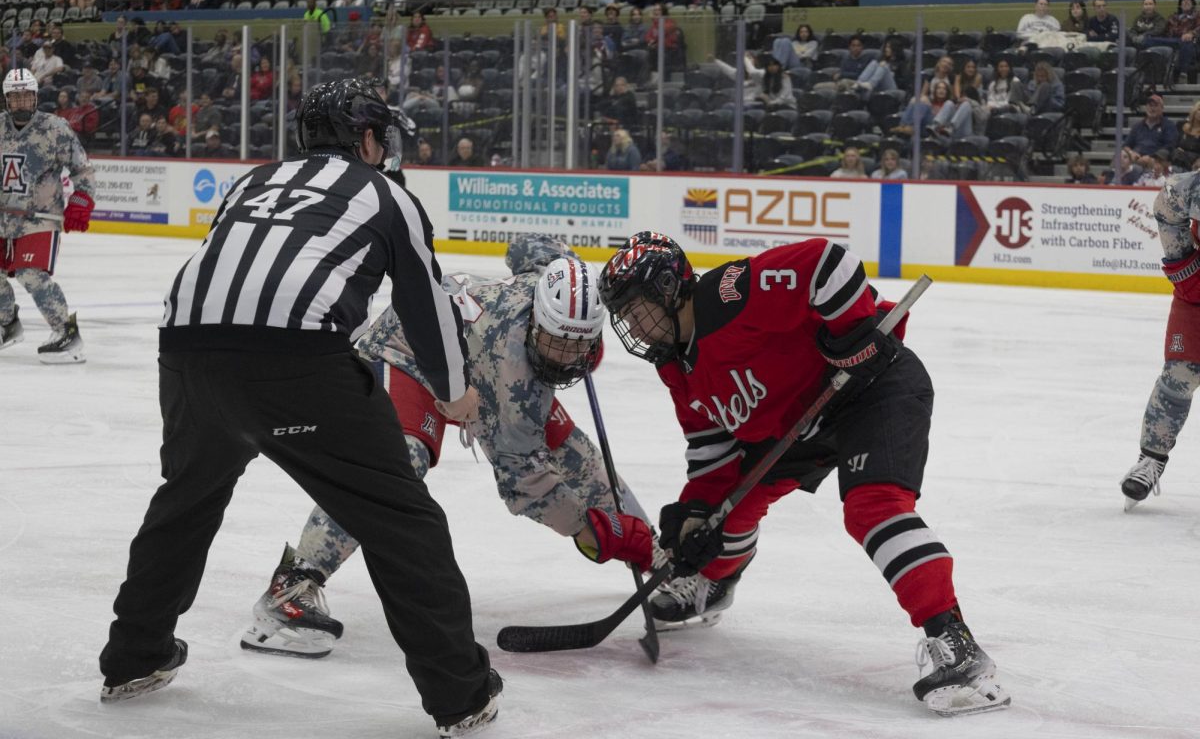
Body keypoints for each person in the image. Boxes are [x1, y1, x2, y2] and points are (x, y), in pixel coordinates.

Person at [95, 78, 502, 737]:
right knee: (401, 519)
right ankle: (461, 691)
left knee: (187, 497)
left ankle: (132, 658)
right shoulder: (387, 196)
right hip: (296, 363)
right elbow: (423, 307)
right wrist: (455, 396)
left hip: (187, 352)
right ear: (368, 138)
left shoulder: (254, 179)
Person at [596, 231, 1010, 716]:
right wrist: (694, 513)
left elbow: (825, 261)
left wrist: (853, 335)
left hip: (871, 388)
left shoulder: (727, 295)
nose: (632, 326)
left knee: (871, 510)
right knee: (720, 518)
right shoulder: (675, 367)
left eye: (635, 308)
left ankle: (955, 641)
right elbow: (712, 450)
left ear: (668, 288)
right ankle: (713, 583)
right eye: (622, 316)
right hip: (799, 425)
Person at [242, 233, 657, 658]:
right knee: (396, 463)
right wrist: (593, 531)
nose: (565, 357)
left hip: (474, 369)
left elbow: (525, 247)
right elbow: (524, 483)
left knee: (576, 453)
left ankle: (660, 558)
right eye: (555, 340)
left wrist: (563, 261)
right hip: (408, 355)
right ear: (536, 318)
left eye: (578, 344)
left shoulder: (547, 287)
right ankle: (290, 589)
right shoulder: (516, 370)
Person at [0, 68, 95, 364]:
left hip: (39, 216)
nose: (21, 103)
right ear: (6, 100)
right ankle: (7, 324)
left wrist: (80, 200)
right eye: (15, 98)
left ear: (36, 97)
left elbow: (83, 170)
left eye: (26, 96)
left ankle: (66, 333)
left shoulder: (55, 128)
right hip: (2, 218)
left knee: (31, 275)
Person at [1121, 170, 1200, 509]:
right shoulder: (1192, 186)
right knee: (1179, 375)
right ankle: (1151, 459)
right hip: (1197, 299)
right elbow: (1166, 204)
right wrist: (1184, 264)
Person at [1125, 93, 1179, 159]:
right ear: (1146, 107)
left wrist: (1152, 157)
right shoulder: (1137, 126)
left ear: (1162, 109)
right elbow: (1126, 145)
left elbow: (1170, 147)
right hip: (1136, 158)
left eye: (1155, 106)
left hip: (1156, 161)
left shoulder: (1169, 126)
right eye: (1150, 105)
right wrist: (1131, 153)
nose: (1152, 109)